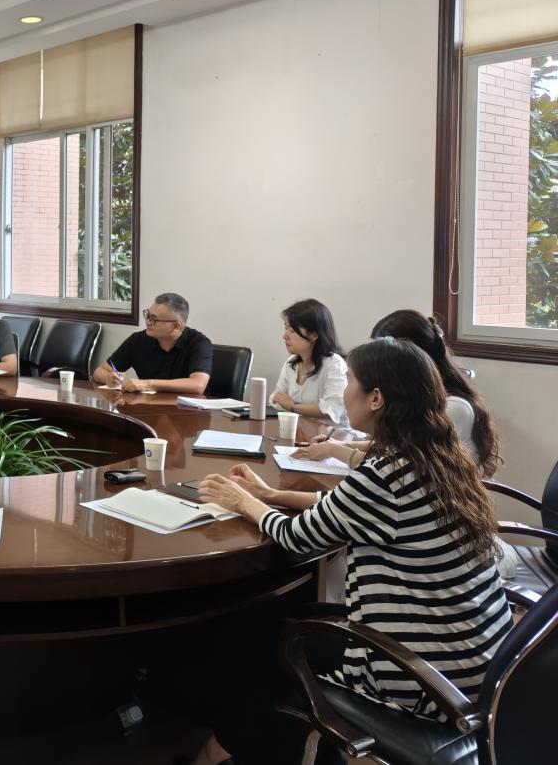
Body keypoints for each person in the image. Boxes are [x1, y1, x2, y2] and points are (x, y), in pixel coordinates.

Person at [191, 337, 510, 765]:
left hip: (422, 677)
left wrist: (243, 502)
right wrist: (270, 495)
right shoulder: (439, 457)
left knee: (274, 653)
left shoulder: (384, 475)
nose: (345, 392)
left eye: (352, 381)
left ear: (376, 398)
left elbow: (296, 536)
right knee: (286, 624)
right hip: (478, 662)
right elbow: (345, 507)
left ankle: (215, 756)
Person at [294, 309, 502, 477]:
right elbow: (397, 447)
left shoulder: (450, 407)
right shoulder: (415, 396)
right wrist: (344, 444)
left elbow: (401, 468)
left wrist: (335, 450)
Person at [91, 292, 211, 394]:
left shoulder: (199, 343)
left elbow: (198, 385)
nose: (148, 321)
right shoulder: (138, 340)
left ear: (176, 326)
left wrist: (147, 384)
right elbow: (98, 372)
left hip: (187, 411)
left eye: (154, 319)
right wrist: (109, 378)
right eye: (147, 315)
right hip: (148, 407)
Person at [270, 299, 347, 423]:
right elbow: (277, 399)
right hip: (301, 431)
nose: (285, 336)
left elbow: (331, 409)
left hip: (331, 433)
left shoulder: (334, 364)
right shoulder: (291, 364)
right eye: (285, 328)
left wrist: (293, 406)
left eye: (292, 331)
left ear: (314, 335)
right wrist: (284, 403)